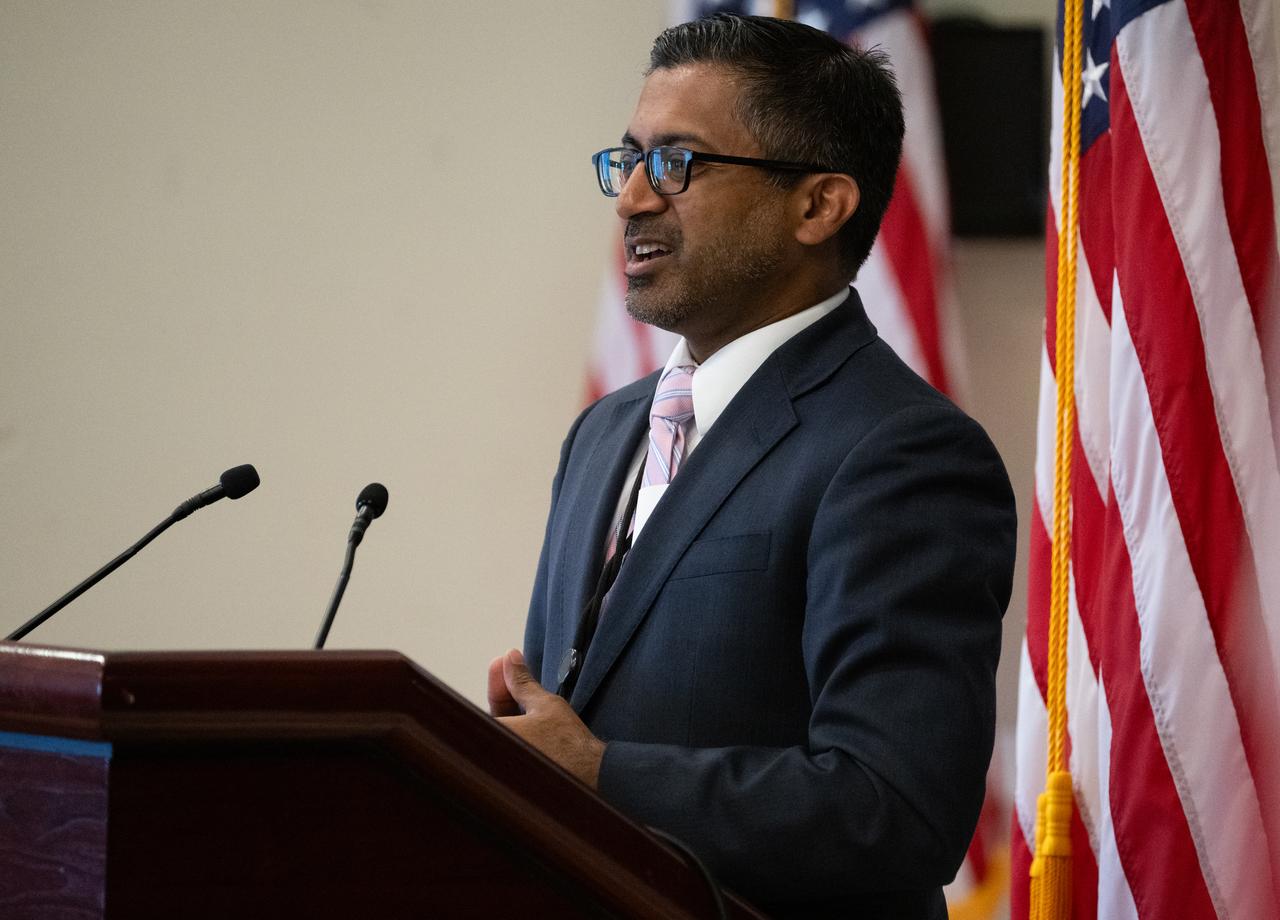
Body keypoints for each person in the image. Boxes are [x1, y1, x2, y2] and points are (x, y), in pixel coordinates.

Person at [487, 13, 1016, 918]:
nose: (632, 200)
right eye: (628, 161)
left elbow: (895, 805)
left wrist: (601, 773)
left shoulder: (903, 454)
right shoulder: (604, 434)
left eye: (678, 164)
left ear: (818, 205)